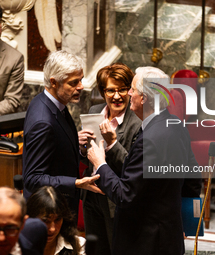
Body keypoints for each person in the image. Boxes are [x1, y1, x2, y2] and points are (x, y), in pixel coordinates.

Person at [87, 67, 200, 255]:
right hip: (169, 236)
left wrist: (101, 164)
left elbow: (125, 195)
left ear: (144, 98)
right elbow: (193, 181)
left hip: (144, 242)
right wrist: (185, 223)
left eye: (132, 89)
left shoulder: (149, 140)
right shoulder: (177, 127)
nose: (129, 93)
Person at [22, 50, 103, 222]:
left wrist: (76, 145)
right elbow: (32, 179)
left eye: (80, 80)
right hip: (49, 213)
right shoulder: (43, 122)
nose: (80, 86)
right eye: (73, 82)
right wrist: (75, 183)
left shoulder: (48, 101)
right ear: (54, 82)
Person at [78, 63, 141, 255]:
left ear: (130, 91)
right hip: (92, 196)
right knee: (95, 249)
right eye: (111, 90)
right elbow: (89, 154)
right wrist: (81, 146)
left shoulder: (137, 123)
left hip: (116, 200)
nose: (117, 96)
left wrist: (113, 143)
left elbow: (133, 168)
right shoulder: (94, 111)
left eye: (122, 90)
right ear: (102, 91)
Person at [27, 186, 85, 255]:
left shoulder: (79, 244)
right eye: (45, 221)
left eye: (57, 220)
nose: (52, 229)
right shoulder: (16, 246)